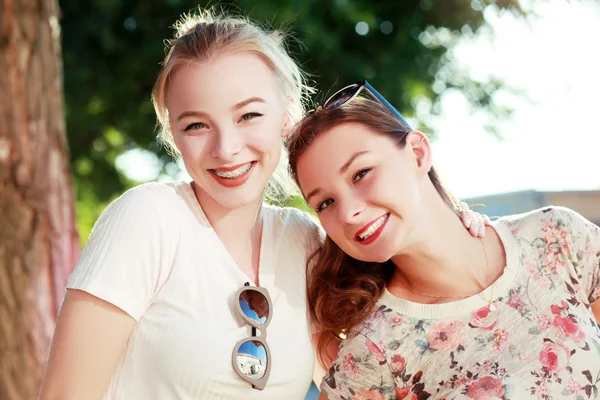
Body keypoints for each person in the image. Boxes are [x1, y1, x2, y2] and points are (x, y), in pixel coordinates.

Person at [38, 11, 488, 400]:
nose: (227, 148)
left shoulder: (304, 240)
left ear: (286, 115)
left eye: (249, 115)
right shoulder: (148, 218)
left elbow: (360, 379)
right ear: (174, 136)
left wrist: (459, 230)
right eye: (197, 125)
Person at [286, 86, 600, 399]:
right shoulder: (373, 352)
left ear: (418, 153)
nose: (349, 213)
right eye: (326, 202)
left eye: (361, 173)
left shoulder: (556, 236)